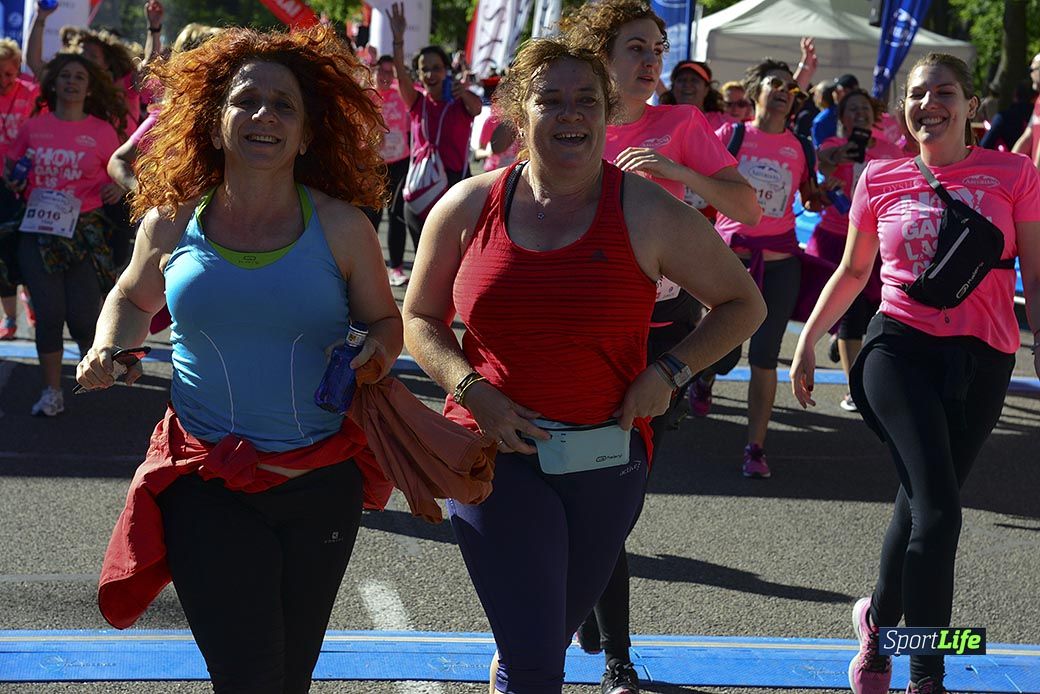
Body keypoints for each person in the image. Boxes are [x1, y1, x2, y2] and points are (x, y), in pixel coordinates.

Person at [401, 37, 765, 694]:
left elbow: (744, 303)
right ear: (519, 111)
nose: (571, 115)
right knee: (537, 661)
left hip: (607, 461)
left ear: (607, 113)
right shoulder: (464, 207)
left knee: (533, 649)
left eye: (586, 101)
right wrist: (470, 386)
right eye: (551, 100)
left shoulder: (649, 211)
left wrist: (668, 374)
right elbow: (419, 319)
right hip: (491, 456)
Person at [76, 25, 403, 692]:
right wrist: (111, 345)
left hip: (320, 485)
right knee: (248, 676)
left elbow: (384, 321)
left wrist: (374, 351)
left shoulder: (344, 227)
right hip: (206, 480)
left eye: (284, 105)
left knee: (288, 676)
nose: (264, 116)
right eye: (246, 101)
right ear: (214, 119)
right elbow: (132, 297)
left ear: (308, 132)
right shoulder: (172, 220)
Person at [791, 53, 1040, 694]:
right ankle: (926, 674)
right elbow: (853, 271)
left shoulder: (1015, 173)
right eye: (919, 94)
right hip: (896, 350)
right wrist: (809, 340)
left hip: (985, 360)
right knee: (940, 510)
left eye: (946, 92)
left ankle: (877, 624)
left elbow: (1034, 276)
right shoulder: (881, 175)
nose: (931, 103)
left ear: (971, 106)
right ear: (903, 109)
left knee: (921, 506)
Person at [560, 3, 760, 690]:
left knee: (620, 496)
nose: (651, 61)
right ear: (600, 56)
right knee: (587, 491)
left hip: (661, 336)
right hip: (579, 331)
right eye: (635, 48)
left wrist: (687, 175)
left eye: (657, 47)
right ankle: (608, 636)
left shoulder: (682, 124)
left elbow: (749, 209)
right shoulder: (570, 119)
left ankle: (611, 645)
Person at [702, 58, 826, 478]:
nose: (782, 90)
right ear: (756, 92)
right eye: (775, 83)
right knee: (722, 352)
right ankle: (705, 376)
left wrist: (820, 198)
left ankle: (755, 447)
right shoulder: (731, 135)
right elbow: (702, 182)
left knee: (766, 356)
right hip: (733, 260)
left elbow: (809, 196)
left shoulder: (801, 146)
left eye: (789, 87)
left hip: (780, 262)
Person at [4, 52, 126, 417]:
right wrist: (14, 178)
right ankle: (51, 391)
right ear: (54, 83)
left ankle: (95, 379)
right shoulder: (33, 127)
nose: (72, 82)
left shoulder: (102, 132)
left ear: (89, 90)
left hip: (85, 233)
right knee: (49, 312)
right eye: (66, 76)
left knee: (84, 317)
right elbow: (14, 168)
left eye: (80, 78)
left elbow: (119, 170)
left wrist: (118, 188)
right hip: (37, 233)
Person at [810, 88, 903, 411]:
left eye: (865, 108)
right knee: (850, 313)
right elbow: (822, 163)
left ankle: (847, 345)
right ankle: (854, 388)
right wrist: (837, 161)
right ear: (842, 118)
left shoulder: (892, 150)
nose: (860, 114)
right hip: (838, 241)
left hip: (881, 243)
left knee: (874, 312)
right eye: (852, 110)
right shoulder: (835, 147)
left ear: (875, 114)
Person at [387, 2, 481, 252]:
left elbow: (477, 109)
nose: (430, 74)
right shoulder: (417, 102)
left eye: (436, 68)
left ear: (446, 71)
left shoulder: (460, 101)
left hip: (455, 186)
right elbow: (400, 75)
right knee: (424, 256)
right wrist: (398, 41)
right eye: (424, 69)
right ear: (418, 74)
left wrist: (464, 94)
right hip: (421, 185)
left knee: (455, 256)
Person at [0, 38, 39, 340]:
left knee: (28, 252)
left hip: (26, 183)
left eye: (9, 74)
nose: (3, 81)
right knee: (2, 257)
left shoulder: (31, 94)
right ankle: (10, 319)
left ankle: (32, 304)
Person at [364, 54, 412, 286]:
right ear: (373, 71)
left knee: (397, 216)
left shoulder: (401, 96)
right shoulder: (365, 97)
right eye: (381, 71)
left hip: (400, 162)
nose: (385, 77)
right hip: (373, 165)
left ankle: (396, 268)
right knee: (371, 218)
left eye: (390, 73)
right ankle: (367, 267)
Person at [980, 80, 1035, 151]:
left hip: (1008, 158)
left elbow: (985, 144)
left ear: (1015, 96)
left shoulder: (1003, 117)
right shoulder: (1035, 116)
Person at [812, 73, 858, 146]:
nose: (835, 93)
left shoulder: (861, 115)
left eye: (839, 90)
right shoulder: (823, 119)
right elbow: (820, 150)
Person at [1011, 52, 1040, 166]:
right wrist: (1010, 163)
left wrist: (1035, 172)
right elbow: (1028, 135)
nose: (1030, 75)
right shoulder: (1038, 101)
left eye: (1031, 70)